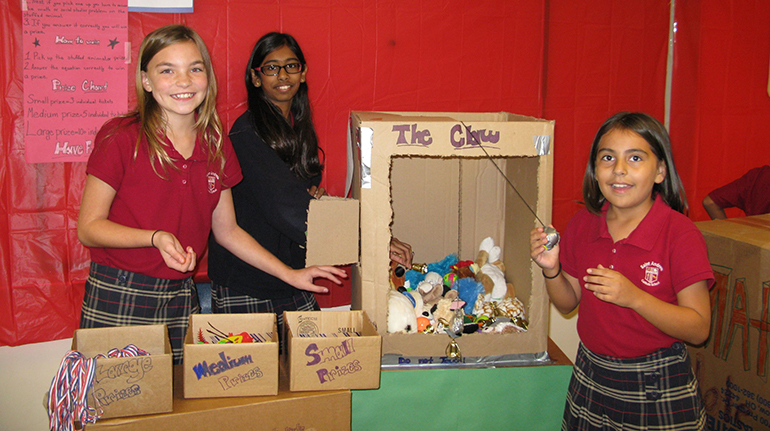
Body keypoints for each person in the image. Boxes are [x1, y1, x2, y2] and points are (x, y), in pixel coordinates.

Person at [77, 25, 345, 364]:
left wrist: (289, 274)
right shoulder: (120, 137)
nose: (184, 80)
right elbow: (88, 226)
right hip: (121, 290)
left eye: (195, 68)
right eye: (167, 70)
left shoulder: (216, 145)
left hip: (180, 295)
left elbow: (228, 231)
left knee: (182, 408)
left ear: (208, 76)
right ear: (146, 80)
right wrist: (155, 238)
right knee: (113, 408)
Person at [207, 32, 412, 336]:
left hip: (293, 272)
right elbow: (289, 210)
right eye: (271, 68)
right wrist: (371, 241)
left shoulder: (298, 128)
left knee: (309, 373)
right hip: (248, 281)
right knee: (255, 381)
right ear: (255, 77)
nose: (282, 75)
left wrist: (321, 207)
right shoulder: (247, 133)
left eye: (291, 66)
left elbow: (302, 203)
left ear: (302, 73)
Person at [530, 112, 713, 430]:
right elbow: (567, 302)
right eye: (607, 157)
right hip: (591, 372)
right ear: (595, 169)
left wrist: (634, 297)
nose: (619, 170)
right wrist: (551, 269)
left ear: (659, 171)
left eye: (636, 158)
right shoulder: (583, 224)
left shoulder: (680, 233)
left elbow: (698, 329)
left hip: (656, 380)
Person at [702, 165, 770, 219]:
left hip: (751, 234)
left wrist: (728, 234)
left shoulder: (759, 176)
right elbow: (709, 202)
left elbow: (710, 202)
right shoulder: (760, 176)